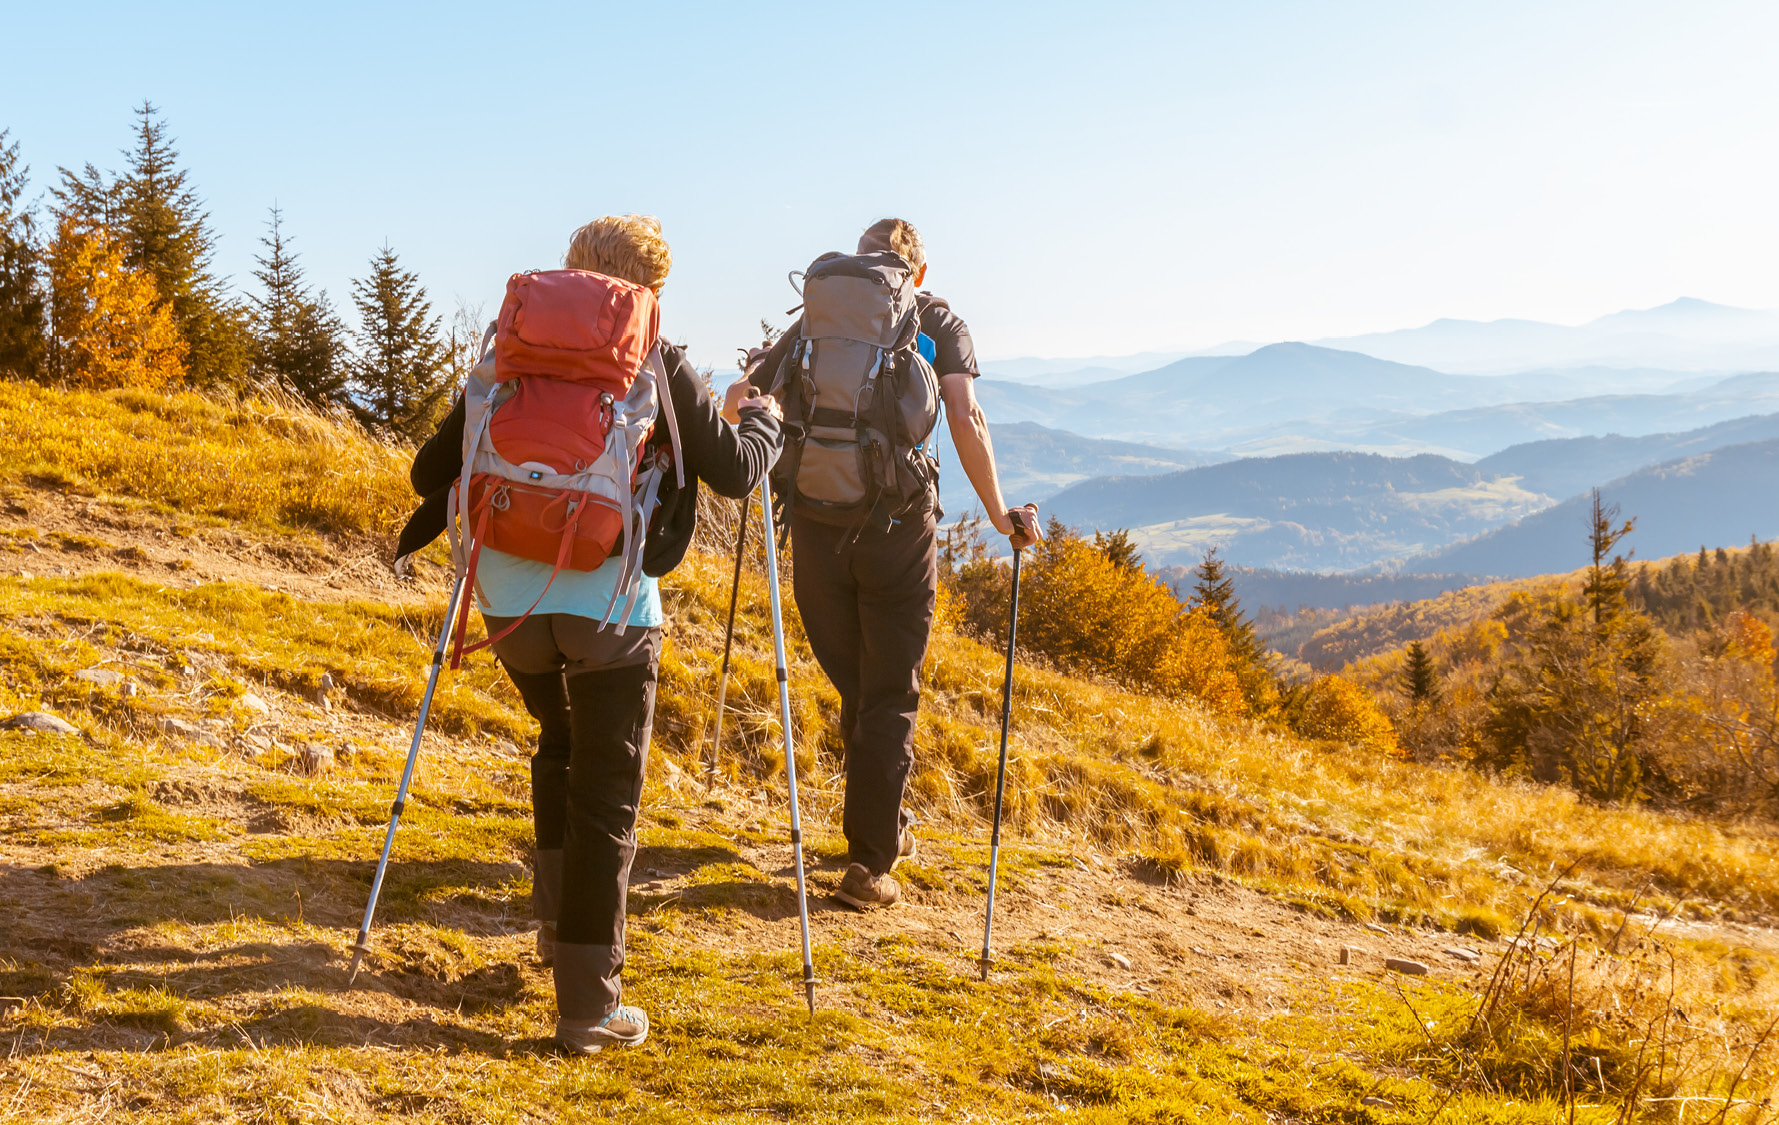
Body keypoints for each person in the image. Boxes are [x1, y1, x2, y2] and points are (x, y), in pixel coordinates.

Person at [402, 214, 782, 1053]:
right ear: (647, 290)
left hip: (505, 609)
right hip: (609, 611)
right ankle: (587, 1006)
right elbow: (734, 471)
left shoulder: (509, 350)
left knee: (559, 741)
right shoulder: (652, 351)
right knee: (607, 791)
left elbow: (430, 472)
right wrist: (761, 417)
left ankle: (555, 926)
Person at [745, 217, 1040, 910]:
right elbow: (965, 418)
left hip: (815, 519)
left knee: (860, 686)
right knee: (889, 692)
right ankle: (870, 863)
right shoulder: (935, 319)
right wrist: (1000, 515)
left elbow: (747, 398)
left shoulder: (818, 316)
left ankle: (883, 826)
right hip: (897, 528)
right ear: (917, 272)